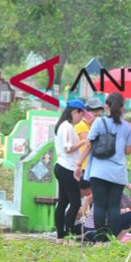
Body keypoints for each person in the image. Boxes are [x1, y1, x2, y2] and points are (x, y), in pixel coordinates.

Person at [76, 93, 131, 243]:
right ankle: (111, 241)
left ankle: (100, 242)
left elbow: (88, 144)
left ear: (107, 106)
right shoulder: (127, 127)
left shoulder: (99, 122)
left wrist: (78, 164)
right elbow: (128, 151)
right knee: (114, 207)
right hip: (118, 173)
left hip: (99, 171)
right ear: (122, 108)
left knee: (100, 206)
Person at [53, 99, 88, 243]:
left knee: (63, 202)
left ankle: (61, 236)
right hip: (67, 168)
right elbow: (68, 148)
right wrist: (84, 141)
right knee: (75, 203)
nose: (81, 118)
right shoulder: (67, 126)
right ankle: (67, 234)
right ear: (74, 112)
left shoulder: (62, 126)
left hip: (62, 166)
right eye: (81, 115)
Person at [75, 97, 103, 175]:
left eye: (99, 116)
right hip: (84, 166)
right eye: (95, 115)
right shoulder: (81, 125)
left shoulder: (96, 127)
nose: (97, 119)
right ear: (86, 113)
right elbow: (90, 143)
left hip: (94, 166)